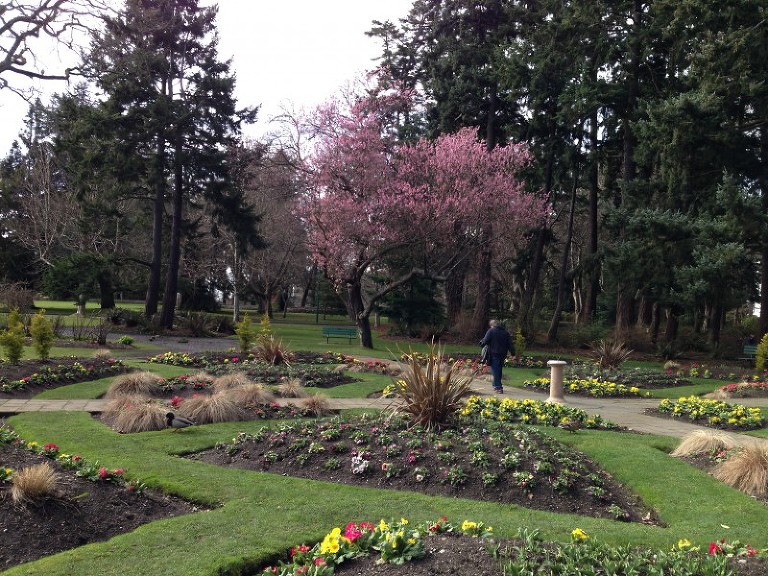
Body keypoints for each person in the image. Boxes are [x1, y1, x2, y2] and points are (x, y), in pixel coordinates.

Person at [480, 319, 515, 394]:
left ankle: (498, 387)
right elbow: (510, 344)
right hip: (503, 354)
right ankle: (495, 384)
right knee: (498, 369)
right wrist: (513, 354)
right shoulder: (505, 332)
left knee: (495, 370)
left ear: (492, 325)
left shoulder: (491, 331)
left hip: (493, 353)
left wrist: (481, 343)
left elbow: (485, 341)